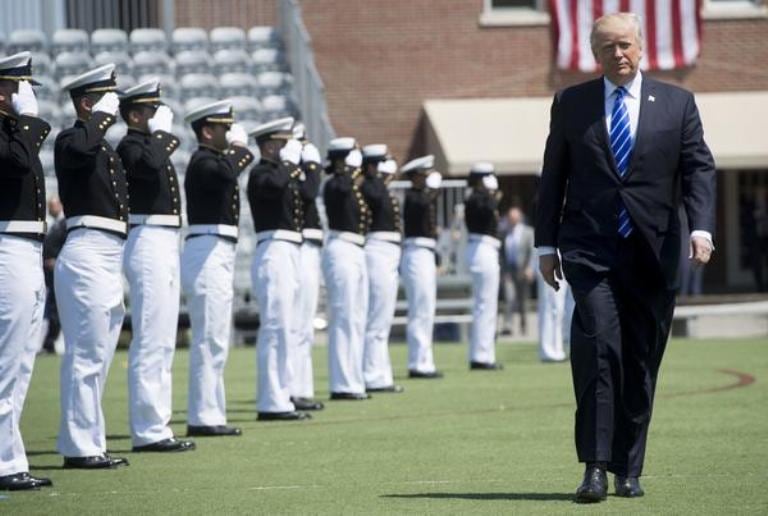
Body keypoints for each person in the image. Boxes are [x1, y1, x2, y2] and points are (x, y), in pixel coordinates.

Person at [536, 13, 715, 502]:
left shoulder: (678, 104)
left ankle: (628, 468)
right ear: (595, 54)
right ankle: (593, 468)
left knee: (639, 361)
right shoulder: (572, 104)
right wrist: (545, 244)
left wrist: (700, 226)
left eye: (626, 45)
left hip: (653, 253)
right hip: (590, 251)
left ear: (642, 48)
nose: (618, 54)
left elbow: (699, 168)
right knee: (597, 352)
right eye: (607, 47)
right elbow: (554, 175)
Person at [54, 63, 130, 469]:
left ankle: (89, 440)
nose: (112, 106)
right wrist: (99, 116)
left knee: (99, 353)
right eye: (104, 98)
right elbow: (80, 148)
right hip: (86, 250)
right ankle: (80, 446)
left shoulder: (102, 146)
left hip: (109, 253)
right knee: (85, 353)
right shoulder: (71, 140)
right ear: (87, 103)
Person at [117, 79, 195, 453]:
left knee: (163, 338)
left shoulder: (148, 145)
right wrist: (161, 134)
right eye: (151, 110)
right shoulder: (132, 146)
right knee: (150, 336)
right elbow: (149, 166)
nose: (157, 115)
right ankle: (148, 429)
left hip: (164, 239)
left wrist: (159, 136)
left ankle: (158, 424)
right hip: (146, 237)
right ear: (135, 115)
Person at [181, 100, 254, 437]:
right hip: (207, 248)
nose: (230, 133)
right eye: (225, 128)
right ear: (208, 131)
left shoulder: (212, 161)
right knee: (209, 336)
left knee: (217, 336)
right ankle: (203, 416)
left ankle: (211, 412)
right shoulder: (203, 162)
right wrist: (240, 148)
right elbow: (227, 173)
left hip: (219, 247)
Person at [0, 51, 54, 490]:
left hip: (26, 247)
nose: (24, 95)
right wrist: (29, 120)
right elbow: (17, 161)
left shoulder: (13, 132)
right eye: (17, 87)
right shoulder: (12, 134)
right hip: (5, 246)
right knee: (5, 361)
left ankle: (10, 457)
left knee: (21, 361)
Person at [247, 116, 317, 420]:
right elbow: (272, 188)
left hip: (291, 249)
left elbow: (309, 193)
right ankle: (271, 401)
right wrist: (288, 166)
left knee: (288, 328)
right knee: (275, 328)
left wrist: (303, 168)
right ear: (270, 146)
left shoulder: (283, 173)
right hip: (274, 249)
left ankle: (284, 393)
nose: (290, 147)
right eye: (283, 142)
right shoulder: (261, 172)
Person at [322, 137, 371, 400]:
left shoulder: (351, 185)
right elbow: (339, 187)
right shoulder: (336, 183)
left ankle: (354, 379)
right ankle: (342, 384)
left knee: (356, 317)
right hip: (341, 247)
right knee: (343, 317)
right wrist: (346, 170)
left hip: (356, 249)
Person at [360, 144, 404, 393]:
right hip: (377, 249)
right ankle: (372, 375)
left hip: (389, 250)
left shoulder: (380, 186)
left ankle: (381, 373)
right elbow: (375, 196)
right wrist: (375, 176)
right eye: (378, 164)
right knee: (376, 316)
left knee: (384, 316)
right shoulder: (370, 186)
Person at [400, 155, 444, 379]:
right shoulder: (413, 197)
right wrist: (432, 189)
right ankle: (417, 362)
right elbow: (425, 203)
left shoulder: (422, 196)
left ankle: (425, 360)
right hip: (416, 253)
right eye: (424, 176)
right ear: (416, 178)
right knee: (419, 310)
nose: (428, 180)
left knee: (427, 310)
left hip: (425, 252)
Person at [292, 122, 325, 409]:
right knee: (296, 321)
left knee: (305, 324)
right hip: (298, 247)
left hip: (309, 246)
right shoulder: (291, 172)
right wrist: (312, 165)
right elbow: (311, 191)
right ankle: (292, 389)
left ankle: (301, 388)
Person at [464, 162, 503, 370]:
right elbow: (488, 208)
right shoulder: (477, 198)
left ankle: (484, 353)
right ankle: (481, 356)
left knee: (487, 306)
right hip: (481, 248)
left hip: (485, 249)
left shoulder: (478, 197)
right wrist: (491, 192)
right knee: (485, 305)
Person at [500, 206, 535, 336]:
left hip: (523, 269)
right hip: (509, 270)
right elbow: (502, 254)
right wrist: (503, 272)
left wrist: (530, 267)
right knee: (509, 298)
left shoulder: (528, 232)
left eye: (514, 217)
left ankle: (523, 325)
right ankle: (508, 325)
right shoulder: (504, 233)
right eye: (510, 218)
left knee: (523, 300)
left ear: (519, 218)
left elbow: (532, 252)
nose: (512, 220)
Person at [536, 258, 573, 363]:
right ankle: (549, 351)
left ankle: (559, 348)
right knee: (552, 305)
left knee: (565, 306)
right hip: (553, 252)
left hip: (571, 251)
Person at [41, 196, 66, 355]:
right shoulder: (51, 225)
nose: (51, 209)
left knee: (56, 309)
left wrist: (57, 261)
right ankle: (48, 343)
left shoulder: (65, 224)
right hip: (47, 275)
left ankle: (51, 342)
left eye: (54, 206)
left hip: (59, 271)